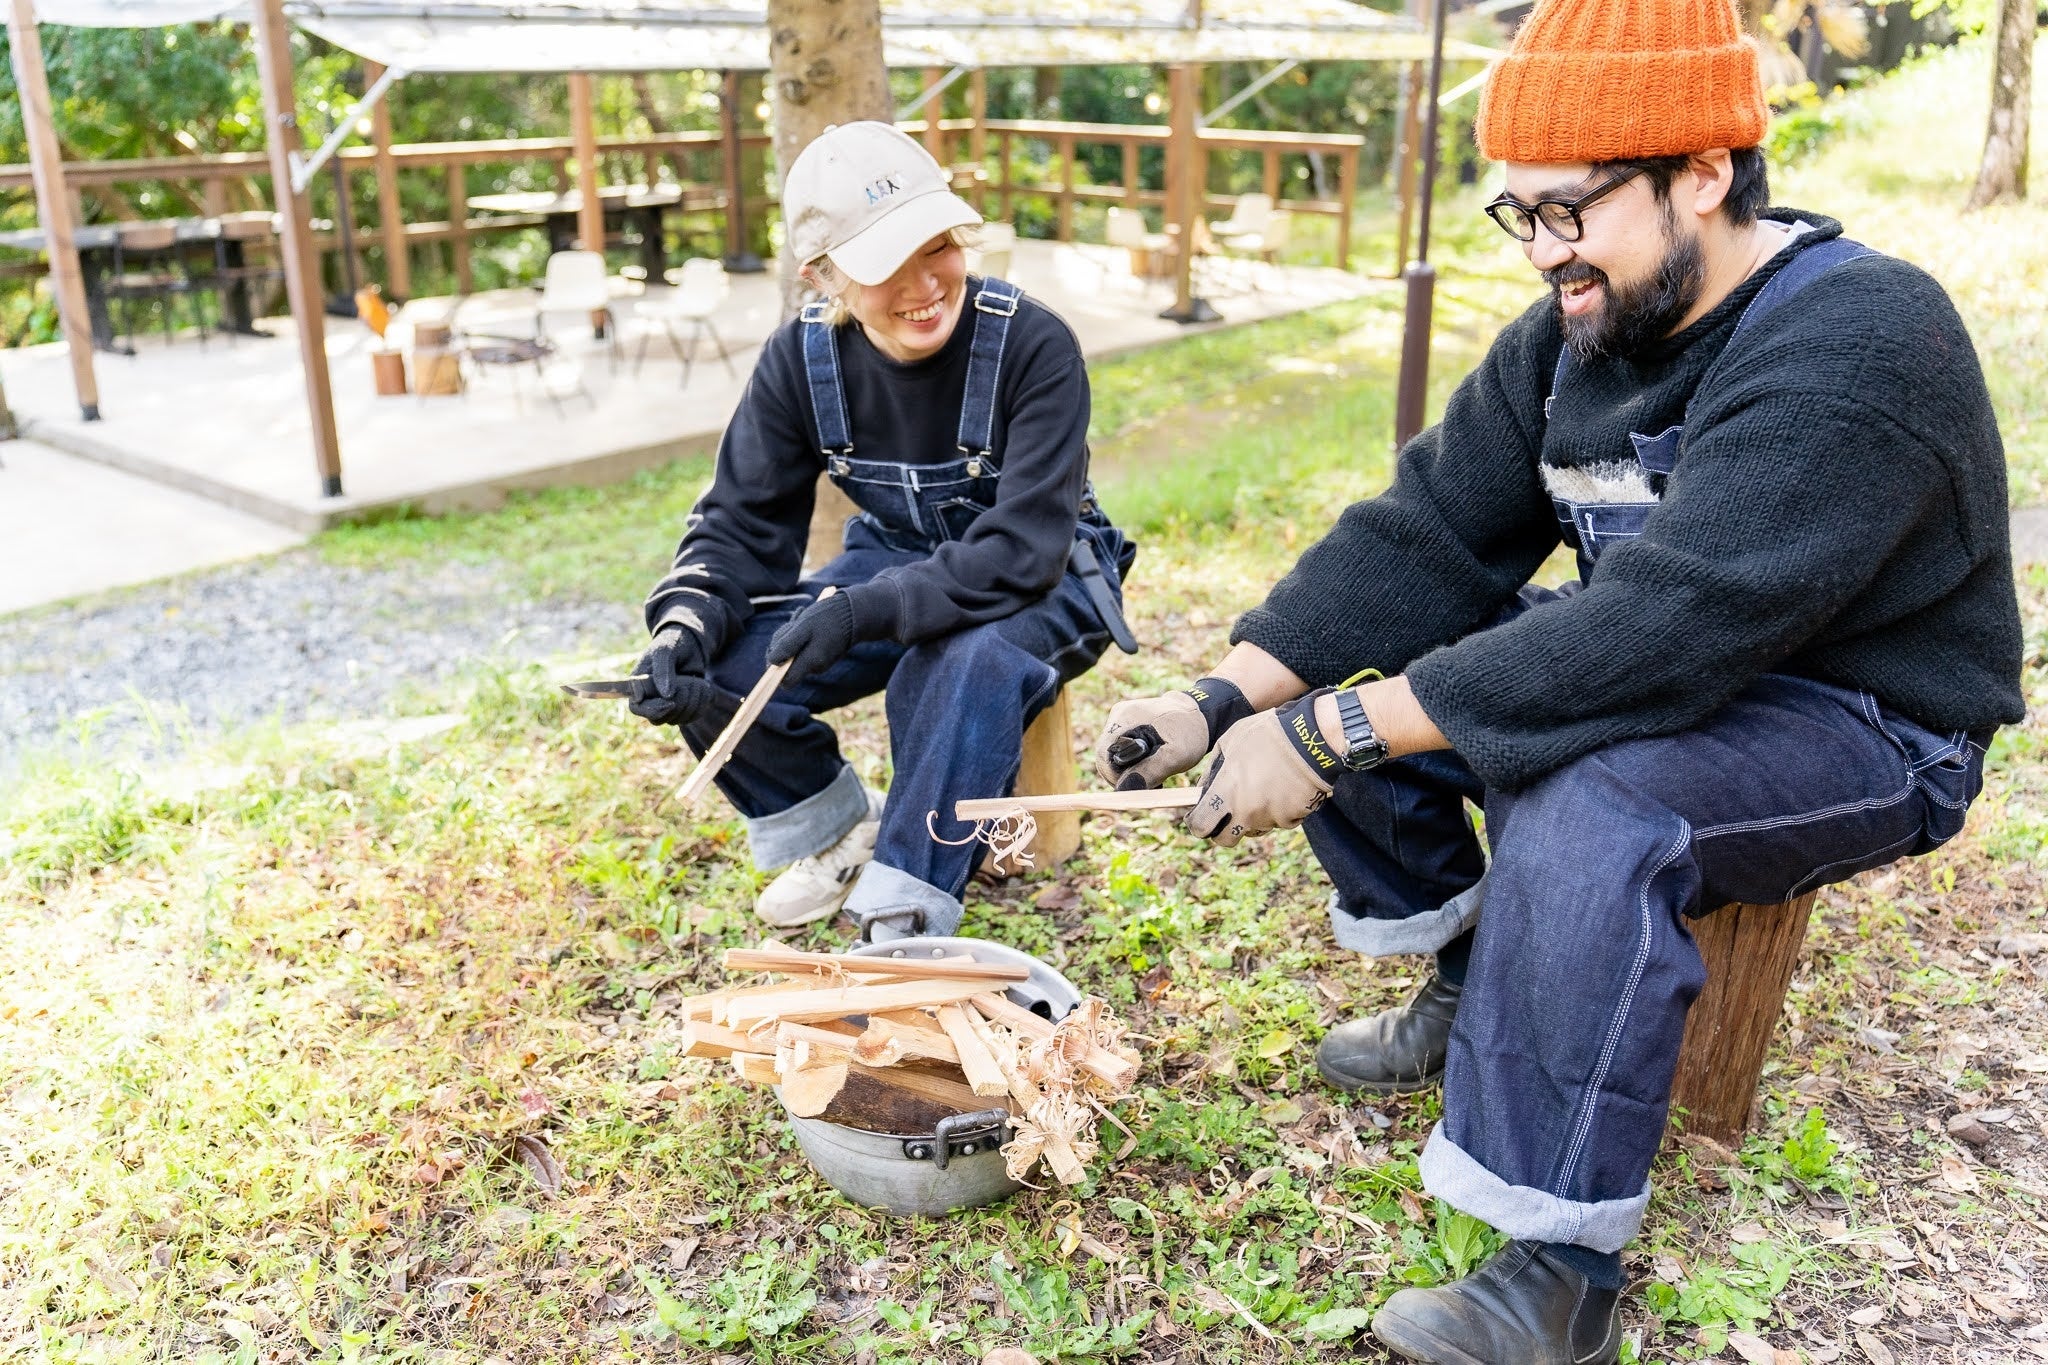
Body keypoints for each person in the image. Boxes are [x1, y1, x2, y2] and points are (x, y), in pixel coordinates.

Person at [1093, 0, 2021, 1358]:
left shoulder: (1862, 340)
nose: (1544, 256)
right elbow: (1427, 534)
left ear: (1703, 169)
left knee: (1592, 799)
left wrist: (1337, 730)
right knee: (1378, 673)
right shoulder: (1580, 324)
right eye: (1517, 216)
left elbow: (1668, 625)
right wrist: (1226, 696)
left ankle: (1559, 1268)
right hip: (1678, 663)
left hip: (1867, 721)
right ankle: (1473, 974)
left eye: (1570, 212)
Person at [632, 121, 1134, 943]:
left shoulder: (1033, 345)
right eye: (881, 264)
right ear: (821, 276)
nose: (923, 283)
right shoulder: (799, 364)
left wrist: (865, 610)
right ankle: (837, 828)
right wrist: (682, 620)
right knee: (720, 664)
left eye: (935, 244)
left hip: (1046, 576)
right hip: (896, 561)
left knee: (960, 659)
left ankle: (906, 905)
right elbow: (739, 522)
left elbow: (1022, 550)